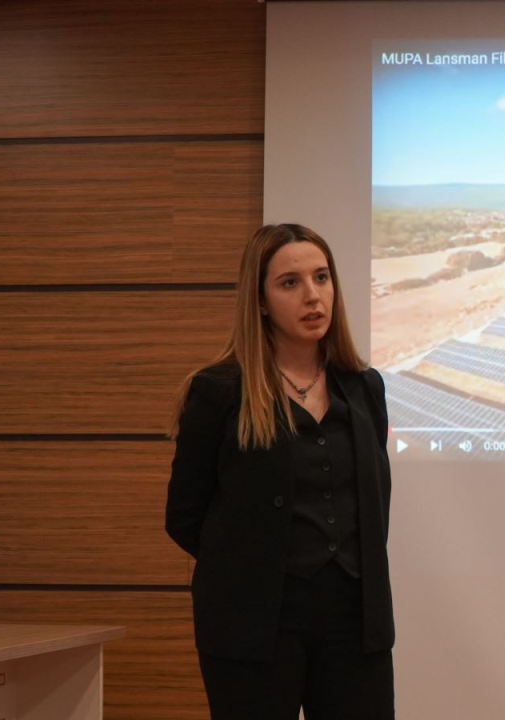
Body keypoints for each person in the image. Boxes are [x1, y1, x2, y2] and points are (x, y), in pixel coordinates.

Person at [165, 224, 394, 719]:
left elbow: (376, 505)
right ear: (261, 300)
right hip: (253, 624)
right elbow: (184, 517)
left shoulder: (363, 388)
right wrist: (252, 566)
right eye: (290, 282)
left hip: (355, 621)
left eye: (322, 277)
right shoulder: (219, 392)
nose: (313, 296)